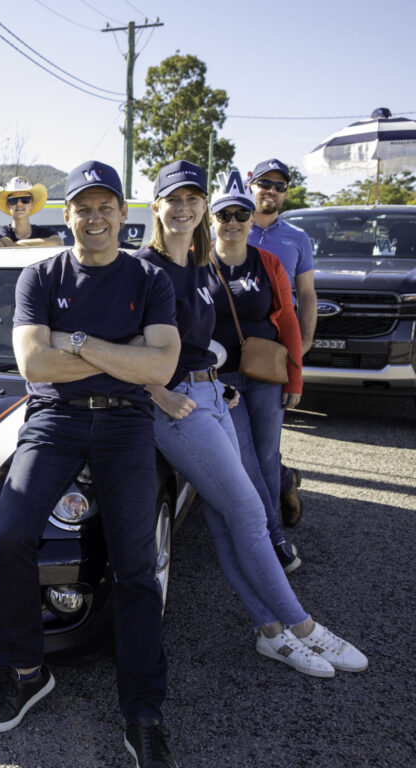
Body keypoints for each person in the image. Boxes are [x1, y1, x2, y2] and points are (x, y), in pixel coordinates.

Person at [0, 161, 182, 768]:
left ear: (124, 215)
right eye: (83, 208)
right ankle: (25, 669)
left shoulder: (149, 279)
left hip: (125, 424)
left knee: (135, 565)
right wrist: (125, 357)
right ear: (65, 216)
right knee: (11, 533)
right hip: (54, 419)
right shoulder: (40, 276)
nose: (94, 218)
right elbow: (33, 366)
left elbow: (160, 370)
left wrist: (78, 343)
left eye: (106, 208)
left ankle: (142, 712)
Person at [135, 163, 366, 687]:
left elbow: (200, 341)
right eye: (175, 200)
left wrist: (217, 378)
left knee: (223, 520)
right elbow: (122, 348)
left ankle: (269, 629)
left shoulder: (196, 265)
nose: (185, 209)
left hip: (214, 392)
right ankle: (303, 626)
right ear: (157, 207)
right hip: (177, 409)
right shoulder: (143, 269)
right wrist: (157, 392)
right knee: (246, 509)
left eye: (194, 200)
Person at [211, 170, 305, 573]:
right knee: (245, 462)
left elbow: (288, 322)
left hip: (267, 374)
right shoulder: (197, 265)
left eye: (240, 214)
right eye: (224, 215)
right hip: (222, 381)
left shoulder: (267, 262)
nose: (232, 222)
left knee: (268, 458)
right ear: (211, 220)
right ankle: (270, 538)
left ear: (252, 220)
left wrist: (296, 378)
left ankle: (271, 535)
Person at [247, 159, 315, 527]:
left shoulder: (298, 238)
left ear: (285, 193)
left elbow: (306, 296)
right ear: (250, 184)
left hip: (274, 349)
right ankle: (284, 480)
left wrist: (301, 347)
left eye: (279, 185)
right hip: (225, 349)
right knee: (234, 441)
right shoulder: (224, 225)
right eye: (264, 183)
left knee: (264, 445)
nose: (270, 191)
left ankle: (267, 530)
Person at [0, 176, 63, 247]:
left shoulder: (46, 231)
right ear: (8, 205)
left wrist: (20, 243)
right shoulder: (0, 230)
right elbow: (10, 246)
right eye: (13, 200)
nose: (19, 204)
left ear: (32, 204)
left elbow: (58, 242)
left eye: (25, 199)